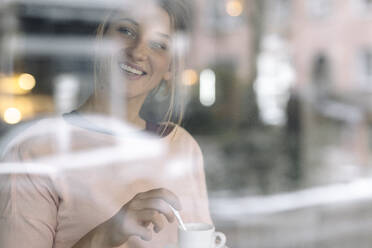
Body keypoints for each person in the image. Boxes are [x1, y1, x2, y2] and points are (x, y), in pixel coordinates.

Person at [0, 0, 212, 247]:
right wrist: (109, 234)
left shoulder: (182, 147)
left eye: (158, 44)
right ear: (100, 37)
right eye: (126, 30)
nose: (138, 52)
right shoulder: (34, 150)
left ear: (171, 67)